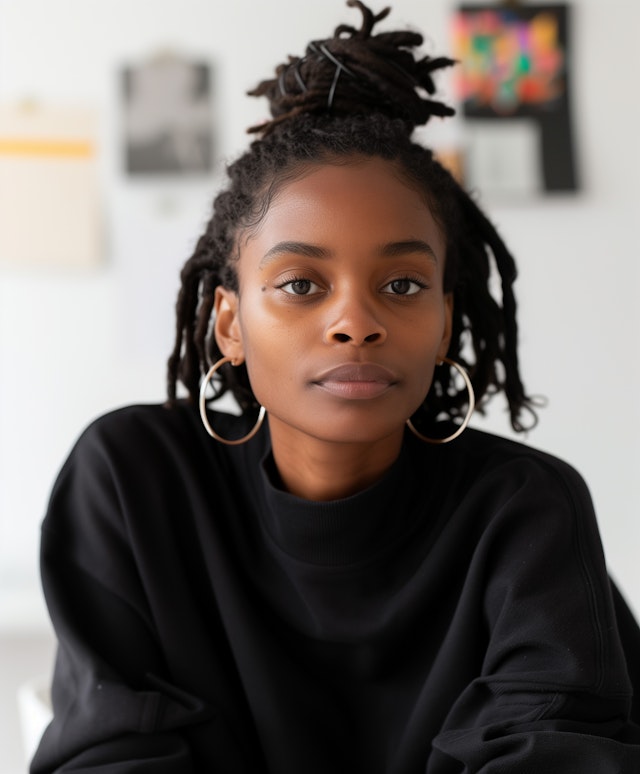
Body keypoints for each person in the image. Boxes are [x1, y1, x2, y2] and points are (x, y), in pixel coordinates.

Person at [32, 2, 640, 772]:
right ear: (229, 322)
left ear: (446, 319)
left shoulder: (525, 510)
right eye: (300, 283)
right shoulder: (132, 480)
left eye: (402, 284)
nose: (356, 321)